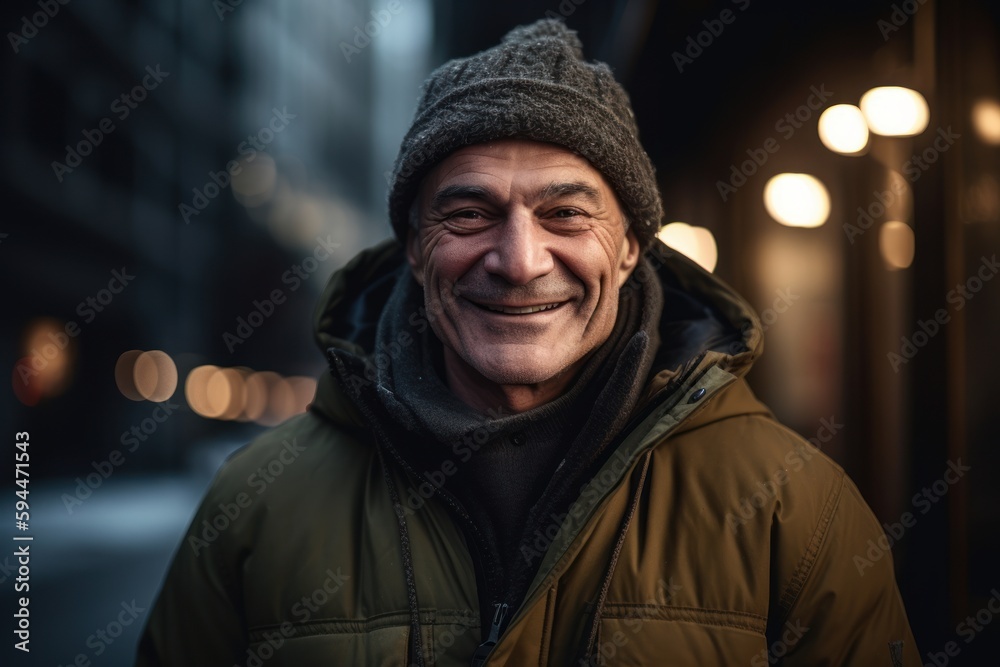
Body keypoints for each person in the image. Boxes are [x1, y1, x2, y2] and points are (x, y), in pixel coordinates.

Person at [137, 18, 920, 666]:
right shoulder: (253, 510)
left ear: (630, 247)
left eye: (566, 213)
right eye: (469, 213)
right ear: (414, 246)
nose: (517, 261)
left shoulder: (797, 512)